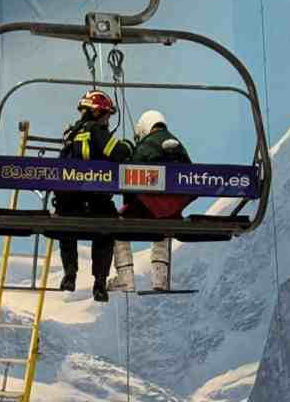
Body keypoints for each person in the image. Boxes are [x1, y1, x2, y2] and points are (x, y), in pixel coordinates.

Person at [57, 90, 132, 303]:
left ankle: (69, 274)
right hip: (97, 200)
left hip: (69, 204)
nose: (108, 120)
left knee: (66, 229)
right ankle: (100, 283)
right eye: (107, 115)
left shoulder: (70, 135)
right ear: (98, 112)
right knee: (106, 232)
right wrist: (128, 145)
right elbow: (118, 153)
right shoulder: (96, 131)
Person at [108, 110, 192, 293]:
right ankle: (160, 279)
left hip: (151, 206)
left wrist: (130, 202)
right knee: (164, 229)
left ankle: (125, 278)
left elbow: (131, 177)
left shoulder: (147, 145)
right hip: (173, 210)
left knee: (116, 227)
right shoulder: (180, 146)